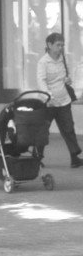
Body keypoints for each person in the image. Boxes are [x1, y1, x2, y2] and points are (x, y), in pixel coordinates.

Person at [35, 32, 82, 168]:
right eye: (58, 45)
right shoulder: (43, 62)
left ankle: (75, 158)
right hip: (48, 102)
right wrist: (47, 95)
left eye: (62, 45)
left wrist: (67, 80)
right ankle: (37, 158)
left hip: (64, 101)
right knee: (43, 130)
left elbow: (64, 77)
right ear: (49, 45)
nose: (60, 47)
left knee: (68, 129)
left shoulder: (62, 58)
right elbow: (41, 81)